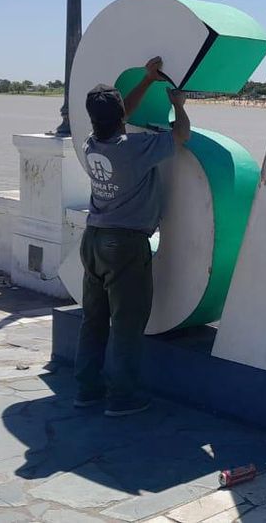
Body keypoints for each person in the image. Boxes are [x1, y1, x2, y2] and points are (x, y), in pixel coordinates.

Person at [75, 56, 190, 416]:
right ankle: (122, 397)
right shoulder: (135, 149)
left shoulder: (91, 144)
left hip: (93, 240)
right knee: (126, 324)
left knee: (93, 320)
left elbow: (120, 114)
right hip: (124, 245)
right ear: (120, 116)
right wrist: (178, 106)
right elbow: (181, 135)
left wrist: (147, 80)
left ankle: (86, 389)